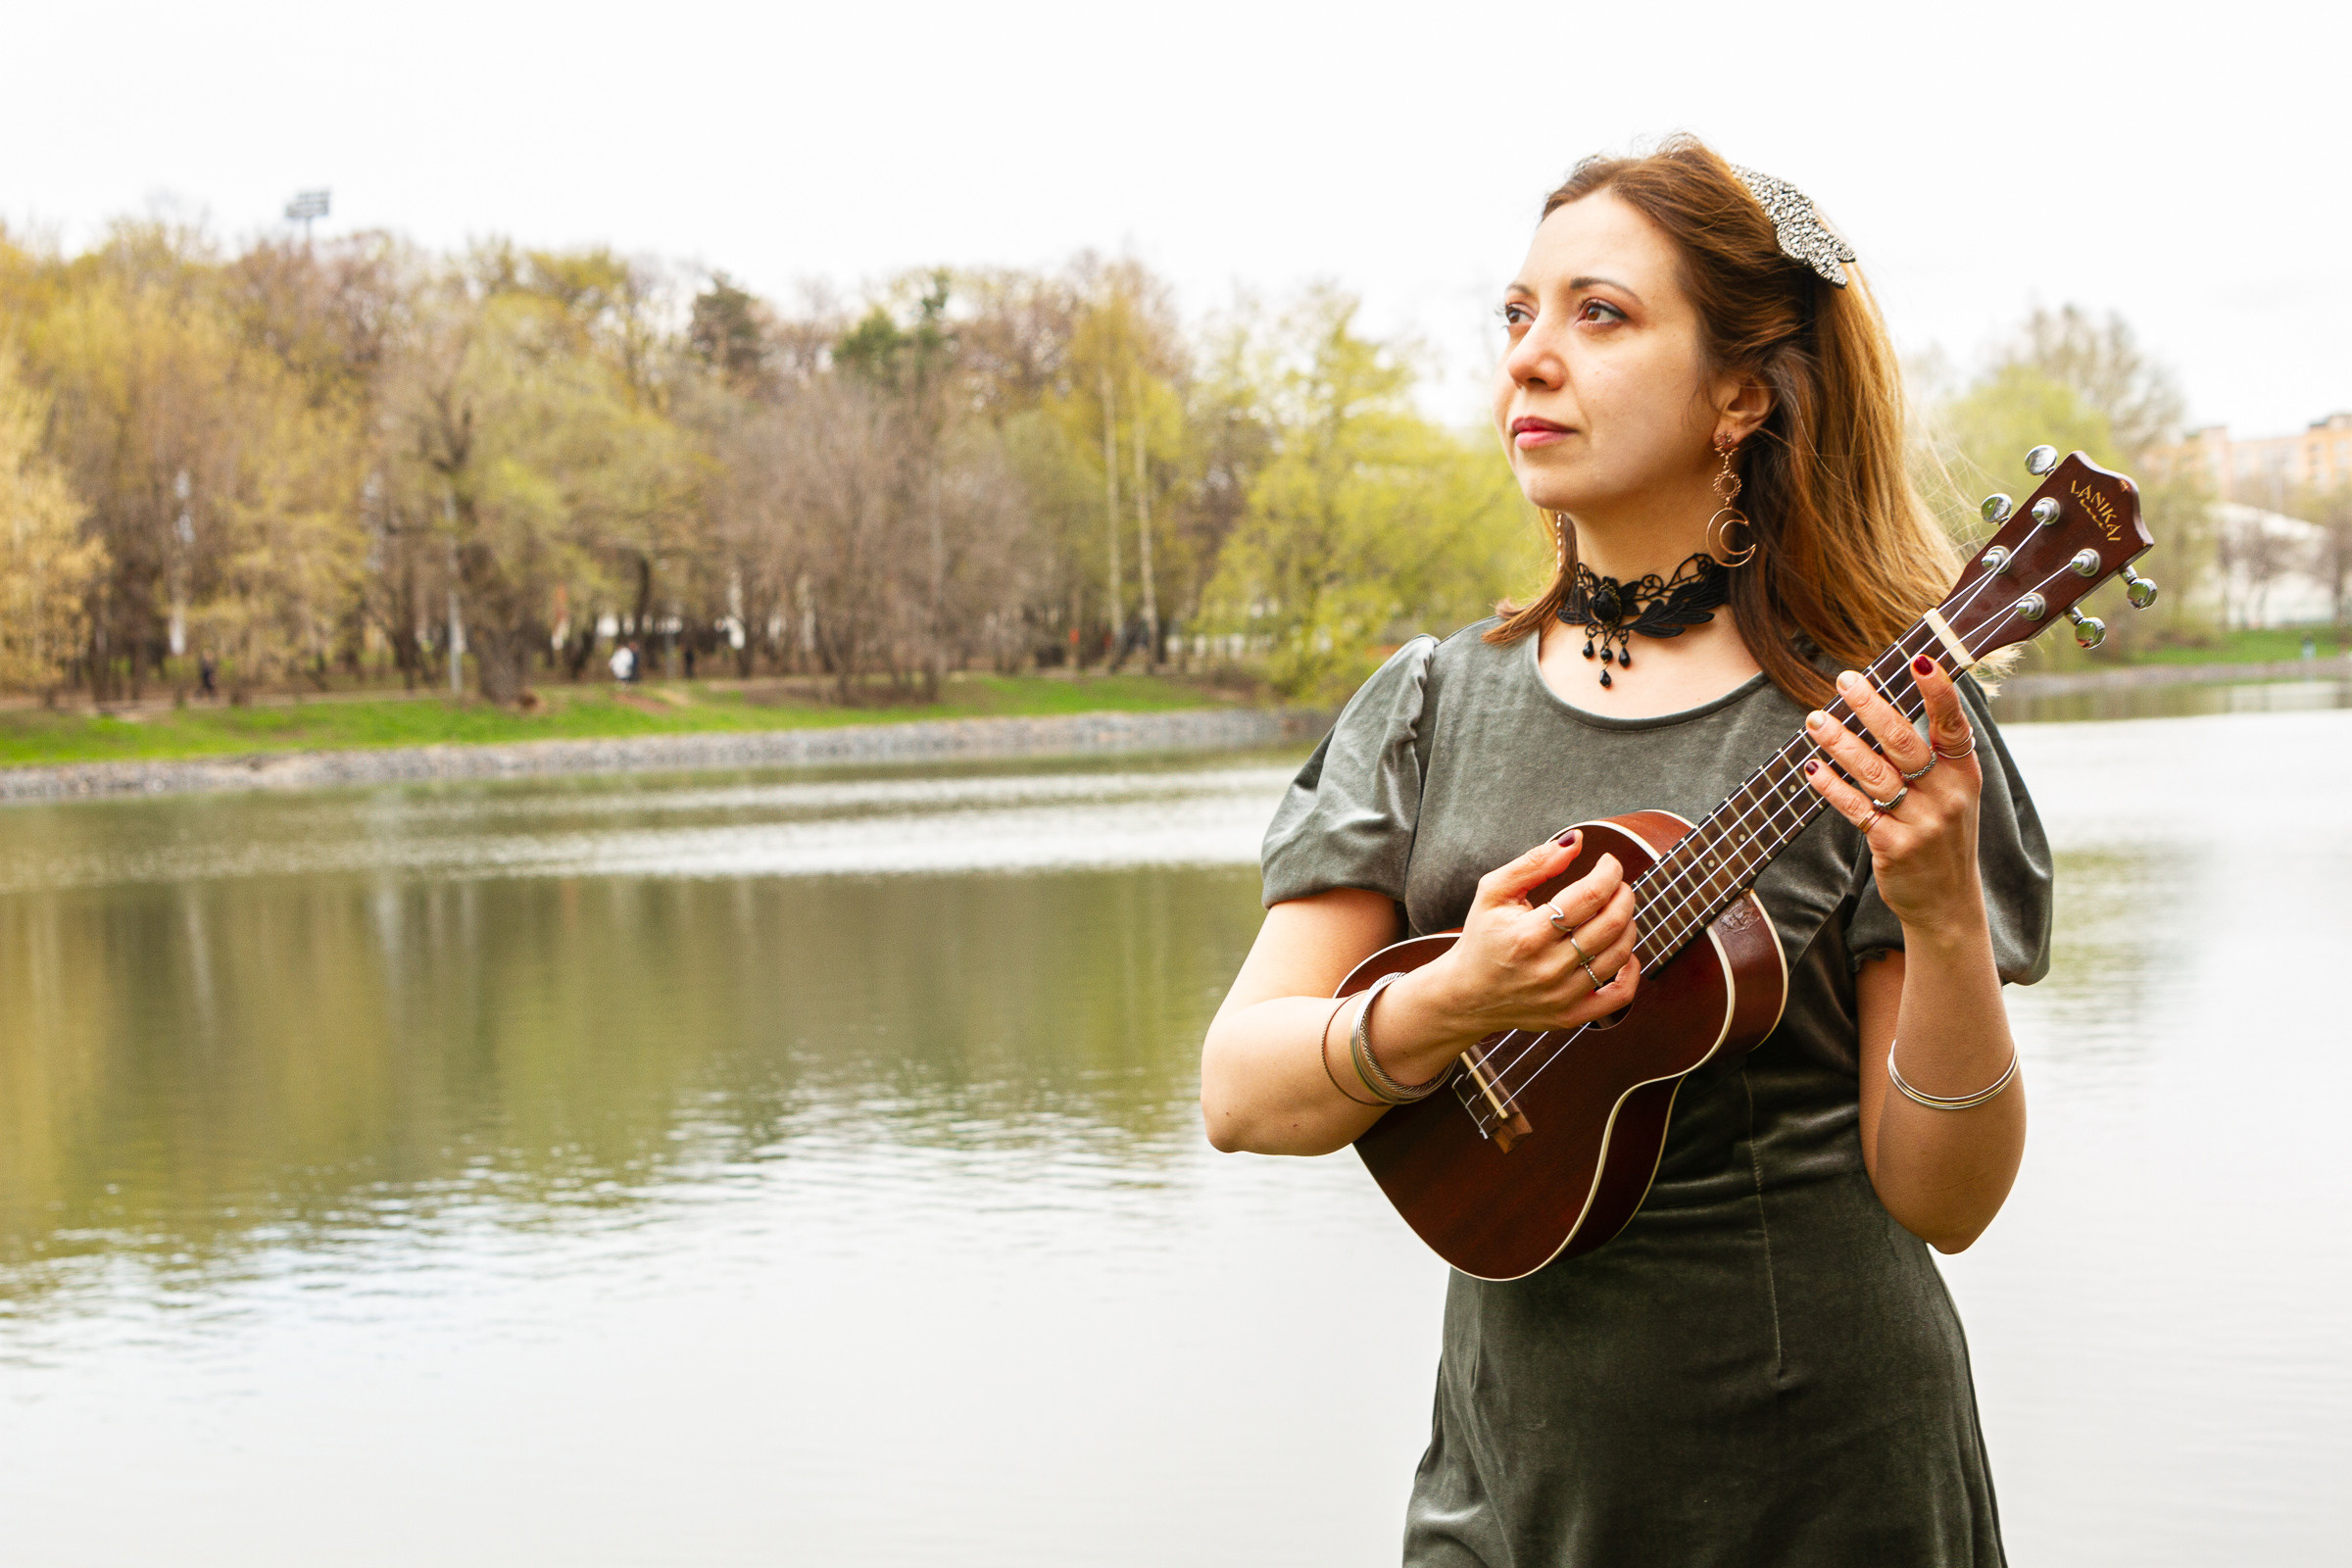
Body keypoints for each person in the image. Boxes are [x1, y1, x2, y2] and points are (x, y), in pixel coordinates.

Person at [1199, 136, 2050, 1568]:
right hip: (1510, 1499)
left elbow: (1947, 1203)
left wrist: (1943, 916)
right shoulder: (1427, 707)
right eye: (1516, 314)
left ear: (1737, 395)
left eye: (1599, 314)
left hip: (1833, 1499)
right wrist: (1459, 1000)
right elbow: (1241, 1092)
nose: (1530, 358)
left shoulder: (1881, 727)